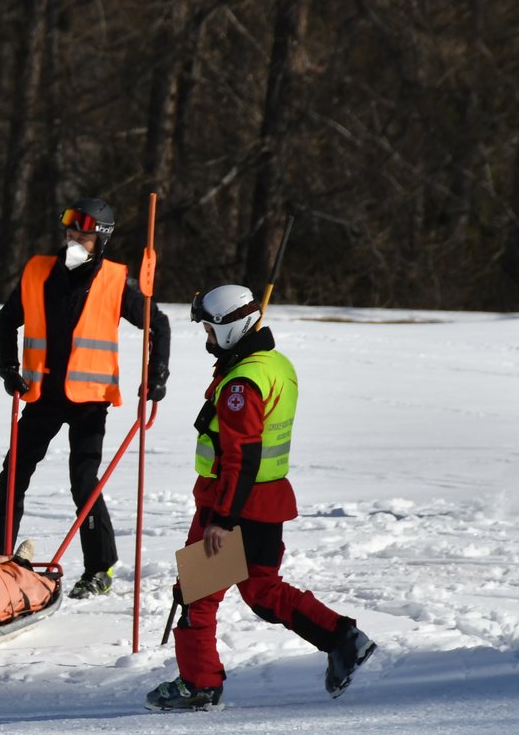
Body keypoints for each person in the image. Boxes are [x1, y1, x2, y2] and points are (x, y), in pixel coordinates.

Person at [145, 284, 374, 712]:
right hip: (267, 502)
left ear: (233, 329)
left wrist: (222, 519)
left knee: (197, 594)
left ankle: (199, 685)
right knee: (263, 591)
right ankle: (342, 637)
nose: (207, 340)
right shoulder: (274, 365)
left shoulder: (242, 383)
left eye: (211, 331)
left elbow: (241, 457)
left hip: (232, 504)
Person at [0, 197, 170, 598]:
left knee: (84, 482)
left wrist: (156, 374)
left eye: (82, 230)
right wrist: (8, 368)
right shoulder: (37, 271)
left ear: (101, 238)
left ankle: (100, 569)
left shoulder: (116, 280)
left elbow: (159, 324)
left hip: (88, 402)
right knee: (14, 474)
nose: (72, 235)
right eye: (69, 227)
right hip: (41, 394)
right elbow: (7, 319)